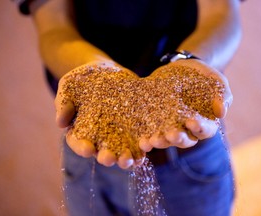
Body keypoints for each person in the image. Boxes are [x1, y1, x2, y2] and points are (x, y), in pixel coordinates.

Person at [15, 0, 242, 215]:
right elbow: (53, 27)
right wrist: (95, 69)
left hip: (189, 146)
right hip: (93, 142)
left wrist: (188, 61)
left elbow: (221, 12)